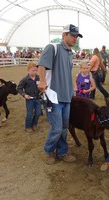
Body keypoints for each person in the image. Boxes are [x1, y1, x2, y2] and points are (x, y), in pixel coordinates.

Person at [37, 24, 83, 164]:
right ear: (64, 35)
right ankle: (49, 151)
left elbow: (66, 74)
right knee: (57, 128)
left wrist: (71, 90)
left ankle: (62, 151)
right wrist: (42, 81)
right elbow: (41, 65)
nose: (75, 38)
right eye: (72, 35)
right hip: (53, 96)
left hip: (66, 96)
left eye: (76, 36)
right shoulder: (53, 47)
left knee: (64, 127)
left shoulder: (70, 53)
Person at [17, 62, 41, 133]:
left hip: (37, 98)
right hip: (29, 99)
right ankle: (28, 126)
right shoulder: (25, 79)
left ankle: (34, 124)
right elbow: (19, 88)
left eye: (36, 70)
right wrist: (24, 95)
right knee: (30, 113)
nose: (35, 72)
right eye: (33, 70)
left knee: (38, 113)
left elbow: (42, 85)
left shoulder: (38, 77)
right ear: (28, 70)